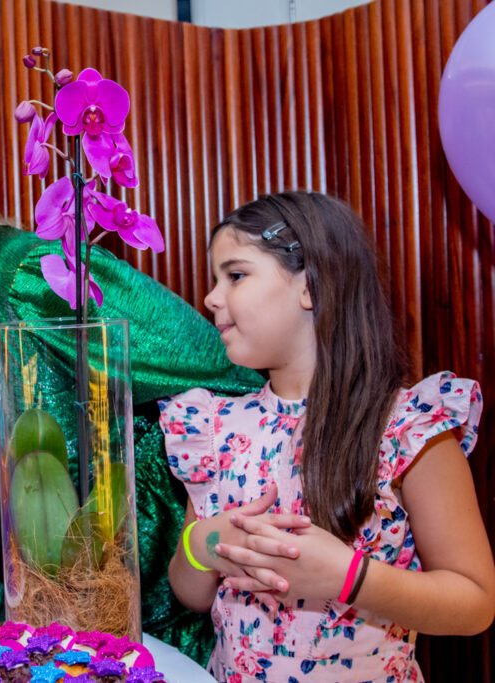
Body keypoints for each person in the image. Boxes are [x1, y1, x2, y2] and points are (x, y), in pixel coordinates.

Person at [0, 101, 263, 660]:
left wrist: (203, 525)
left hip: (162, 594)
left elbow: (224, 369)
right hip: (53, 610)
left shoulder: (37, 279)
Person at [160, 191, 495, 681]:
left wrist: (349, 577)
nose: (211, 297)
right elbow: (192, 592)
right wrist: (204, 544)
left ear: (311, 285)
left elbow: (474, 602)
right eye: (215, 279)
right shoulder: (213, 428)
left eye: (235, 275)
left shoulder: (408, 426)